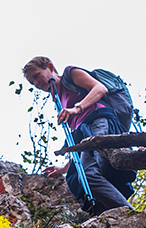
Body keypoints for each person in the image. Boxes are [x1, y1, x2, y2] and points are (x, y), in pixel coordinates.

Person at [22, 57, 134, 214]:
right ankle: (114, 218)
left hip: (98, 122)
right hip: (85, 135)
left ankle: (131, 215)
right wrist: (65, 168)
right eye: (31, 82)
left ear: (50, 66)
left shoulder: (70, 74)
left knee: (89, 175)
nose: (36, 83)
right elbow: (80, 143)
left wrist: (76, 108)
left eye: (36, 75)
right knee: (83, 179)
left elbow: (100, 88)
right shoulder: (57, 98)